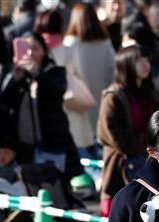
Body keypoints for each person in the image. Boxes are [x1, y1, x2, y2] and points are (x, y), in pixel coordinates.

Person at [0, 32, 82, 178]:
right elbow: (4, 102)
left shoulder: (55, 72)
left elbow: (56, 92)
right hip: (25, 146)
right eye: (26, 49)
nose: (31, 53)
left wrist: (37, 73)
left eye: (35, 49)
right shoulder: (17, 75)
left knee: (58, 186)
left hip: (54, 143)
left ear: (44, 50)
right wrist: (15, 80)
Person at [97, 44, 154, 222]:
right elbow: (112, 136)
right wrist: (148, 141)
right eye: (139, 60)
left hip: (144, 172)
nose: (145, 64)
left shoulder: (146, 93)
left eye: (146, 59)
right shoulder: (114, 96)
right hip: (119, 174)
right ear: (126, 64)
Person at [61, 2, 115, 153]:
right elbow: (113, 70)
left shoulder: (70, 43)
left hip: (79, 101)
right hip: (103, 98)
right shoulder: (105, 42)